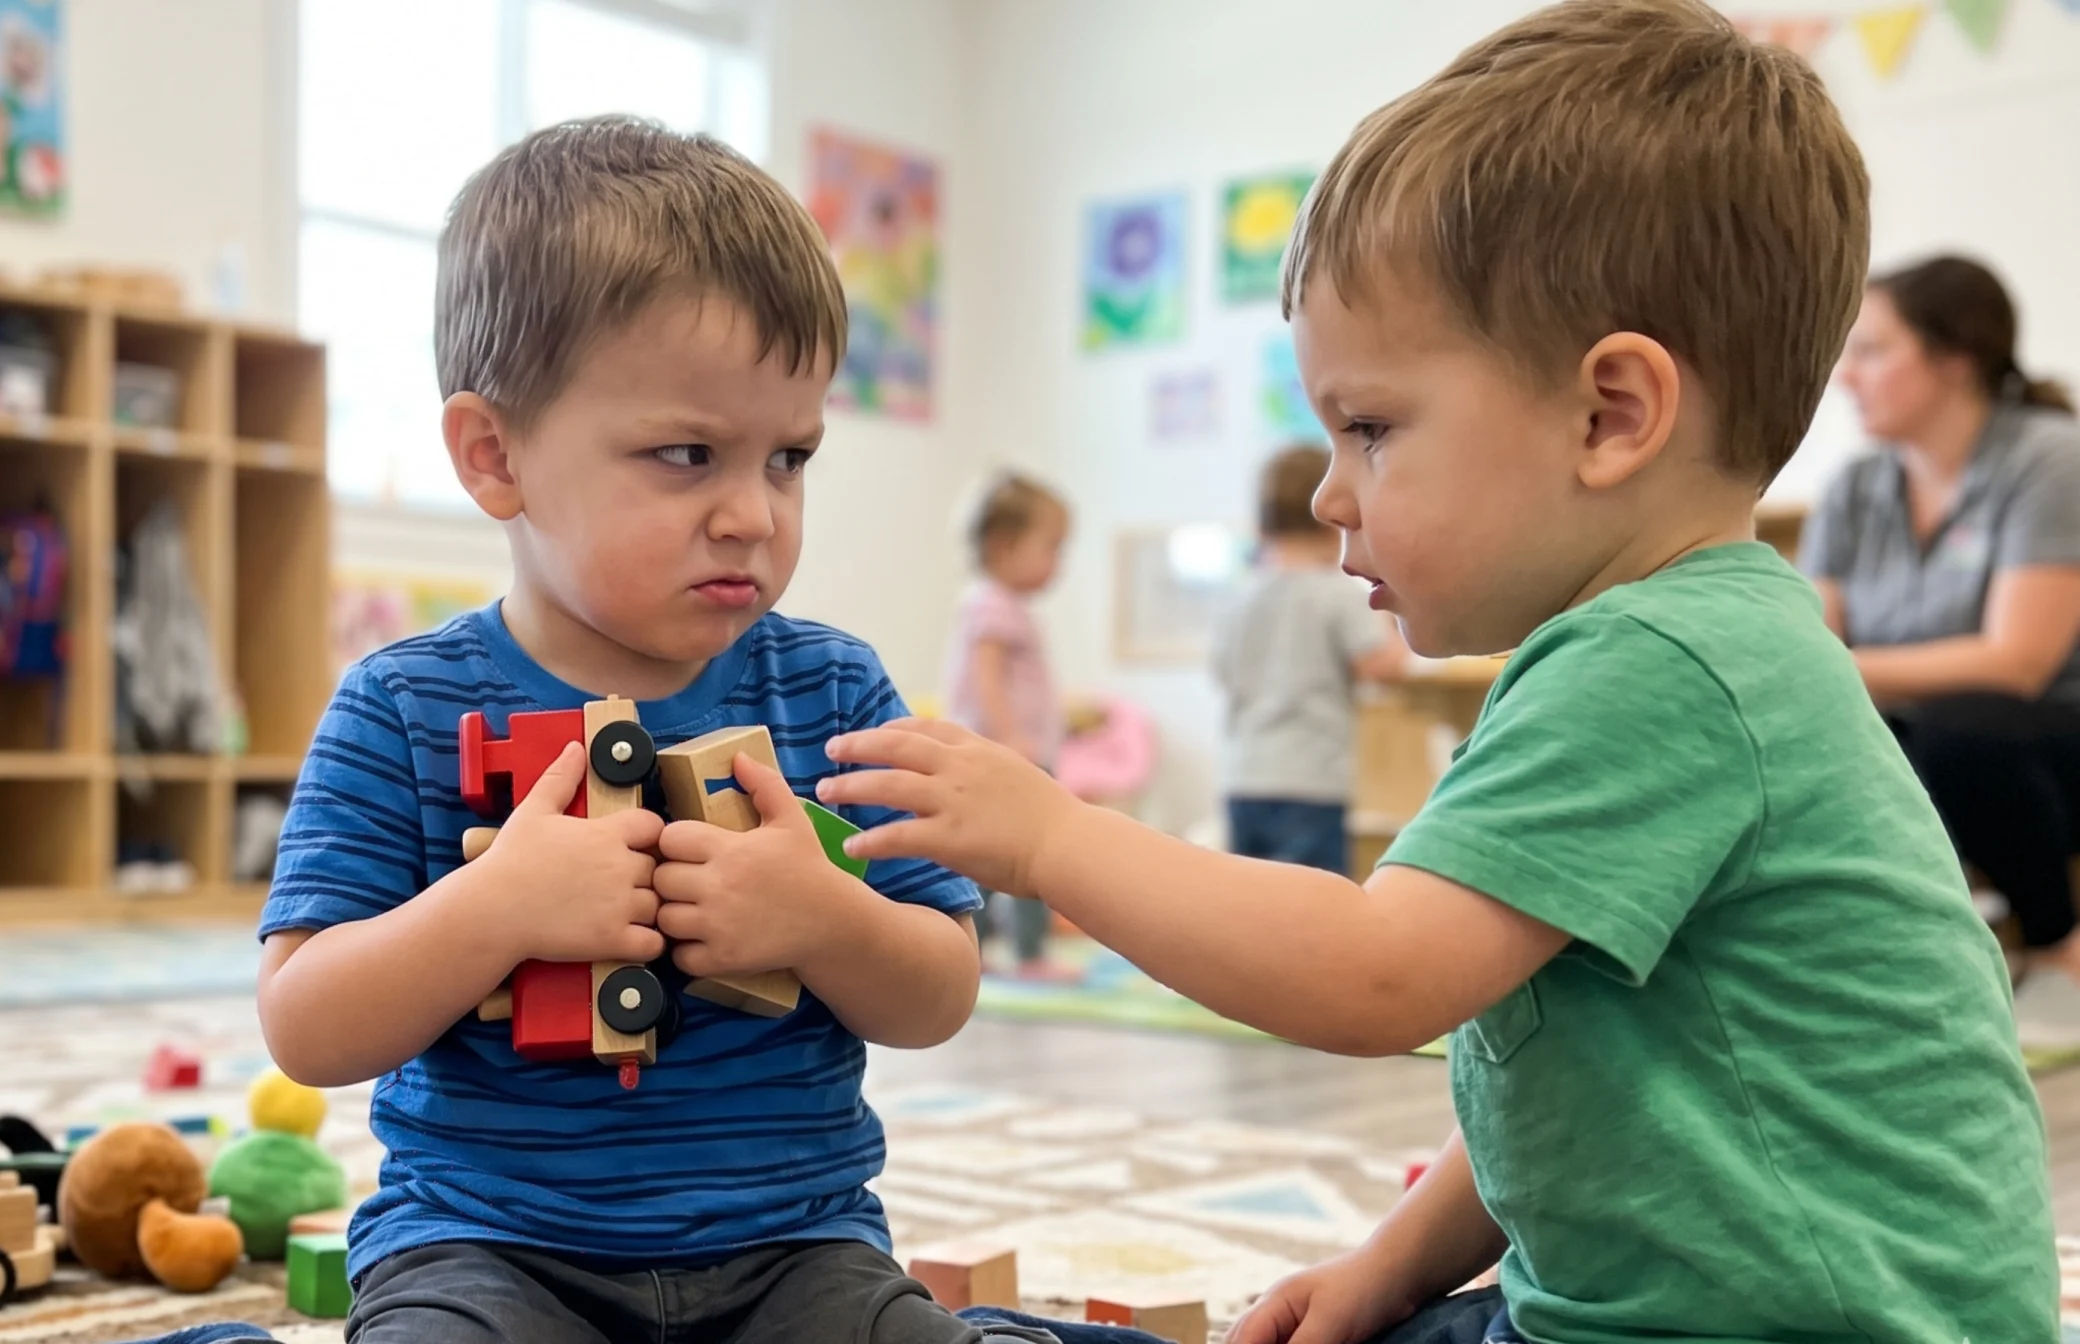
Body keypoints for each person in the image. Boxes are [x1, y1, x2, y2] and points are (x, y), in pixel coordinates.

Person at [818, 2, 2057, 1340]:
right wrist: (1393, 1266)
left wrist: (1053, 837)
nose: (1336, 496)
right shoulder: (1686, 643)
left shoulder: (1664, 663)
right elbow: (1584, 1084)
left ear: (1610, 415)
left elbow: (1369, 975)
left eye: (1371, 429)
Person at [251, 118, 1067, 1344]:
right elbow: (306, 1025)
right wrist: (496, 908)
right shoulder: (398, 707)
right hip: (487, 1248)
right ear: (494, 455)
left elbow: (938, 988)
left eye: (788, 458)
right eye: (686, 455)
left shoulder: (836, 694)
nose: (751, 514)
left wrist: (825, 916)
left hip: (793, 1248)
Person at [1800, 255, 2080, 976]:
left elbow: (2019, 662)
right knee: (1807, 743)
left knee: (1959, 734)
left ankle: (2056, 941)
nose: (1844, 377)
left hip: (2041, 737)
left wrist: (1833, 672)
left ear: (1956, 358)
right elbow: (1814, 641)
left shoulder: (2049, 459)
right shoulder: (1855, 487)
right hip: (1911, 728)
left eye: (1870, 351)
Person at [1213, 444, 1409, 875]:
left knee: (1250, 904)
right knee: (1308, 909)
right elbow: (1383, 664)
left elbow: (1224, 674)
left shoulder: (1240, 598)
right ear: (1334, 522)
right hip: (1310, 780)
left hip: (1243, 775)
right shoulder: (1336, 594)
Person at [942, 470, 1076, 978]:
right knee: (1029, 853)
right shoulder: (991, 603)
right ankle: (1029, 953)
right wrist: (1012, 735)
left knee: (994, 858)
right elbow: (985, 676)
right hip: (1006, 752)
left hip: (1011, 751)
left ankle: (981, 946)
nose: (1058, 564)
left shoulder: (999, 604)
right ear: (1003, 545)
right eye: (1052, 547)